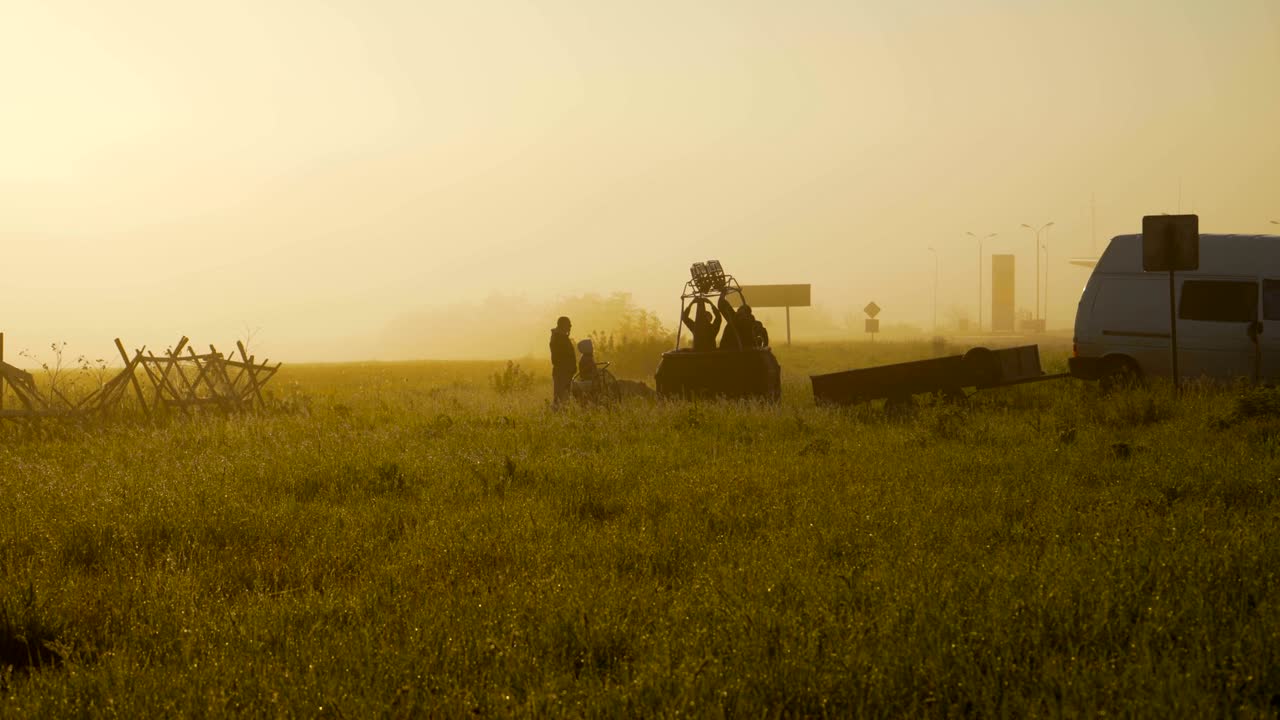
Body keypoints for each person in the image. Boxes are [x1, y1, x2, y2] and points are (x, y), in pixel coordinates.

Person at [549, 316, 574, 406]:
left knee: (564, 398)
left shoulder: (560, 337)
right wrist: (568, 368)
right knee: (560, 398)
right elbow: (560, 357)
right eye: (568, 324)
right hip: (561, 372)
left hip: (564, 372)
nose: (570, 326)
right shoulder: (558, 338)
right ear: (563, 325)